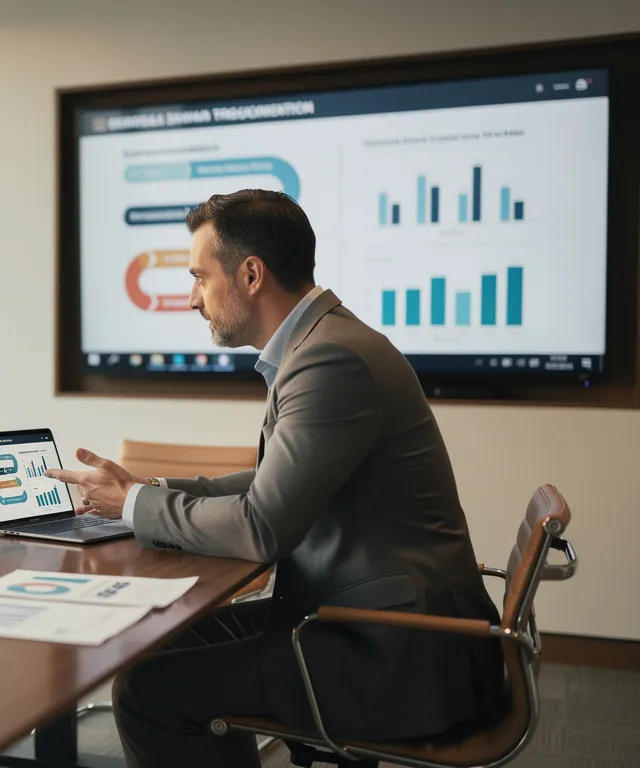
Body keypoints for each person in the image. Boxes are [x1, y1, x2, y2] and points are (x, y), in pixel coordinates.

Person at [46, 190, 505, 767]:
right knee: (165, 642)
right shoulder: (326, 343)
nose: (191, 298)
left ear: (251, 274)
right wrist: (148, 490)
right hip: (371, 618)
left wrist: (135, 504)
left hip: (391, 651)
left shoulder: (330, 360)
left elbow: (262, 526)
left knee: (147, 693)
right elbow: (268, 483)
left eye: (199, 277)